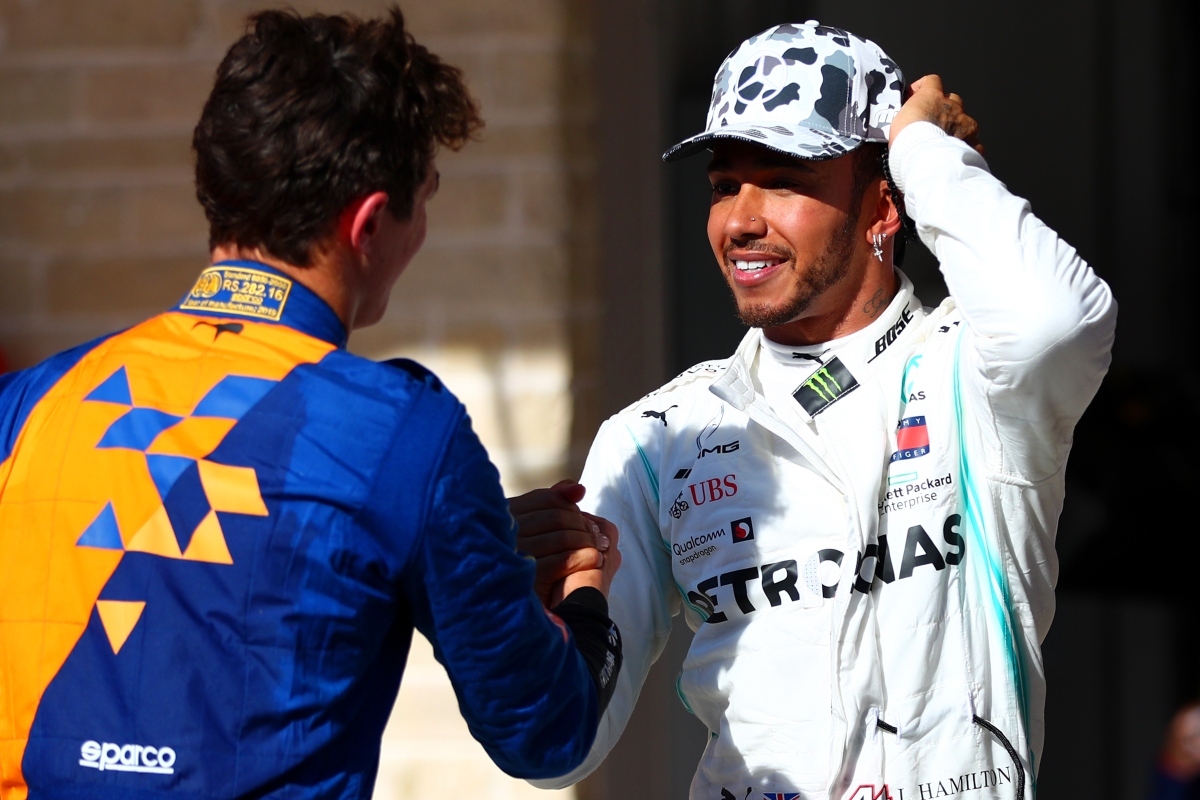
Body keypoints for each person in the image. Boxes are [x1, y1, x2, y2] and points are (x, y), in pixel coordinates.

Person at [0, 8, 621, 799]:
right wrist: (585, 595)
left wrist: (475, 536)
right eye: (423, 197)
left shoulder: (30, 401)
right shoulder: (403, 433)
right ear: (367, 224)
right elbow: (546, 730)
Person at [521, 21, 1116, 800]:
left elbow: (1061, 318)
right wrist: (506, 611)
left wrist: (923, 150)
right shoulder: (658, 436)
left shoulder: (977, 372)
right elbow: (553, 746)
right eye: (724, 185)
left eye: (785, 179)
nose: (739, 221)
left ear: (884, 206)